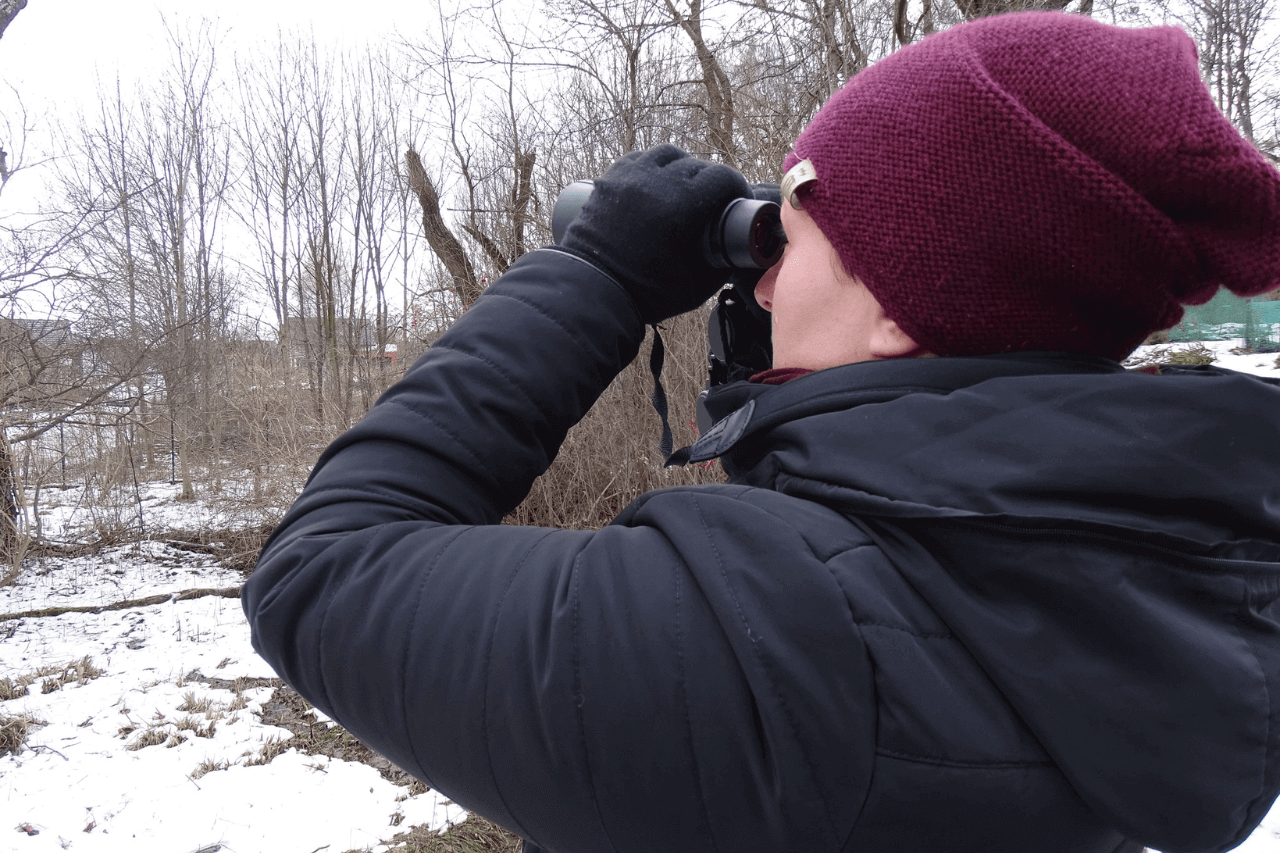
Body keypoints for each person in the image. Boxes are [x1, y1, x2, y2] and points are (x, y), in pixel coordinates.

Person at [242, 11, 1280, 853]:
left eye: (794, 234)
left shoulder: (766, 647)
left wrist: (592, 280)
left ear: (894, 305)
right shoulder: (1146, 577)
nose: (767, 276)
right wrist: (782, 408)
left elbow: (322, 570)